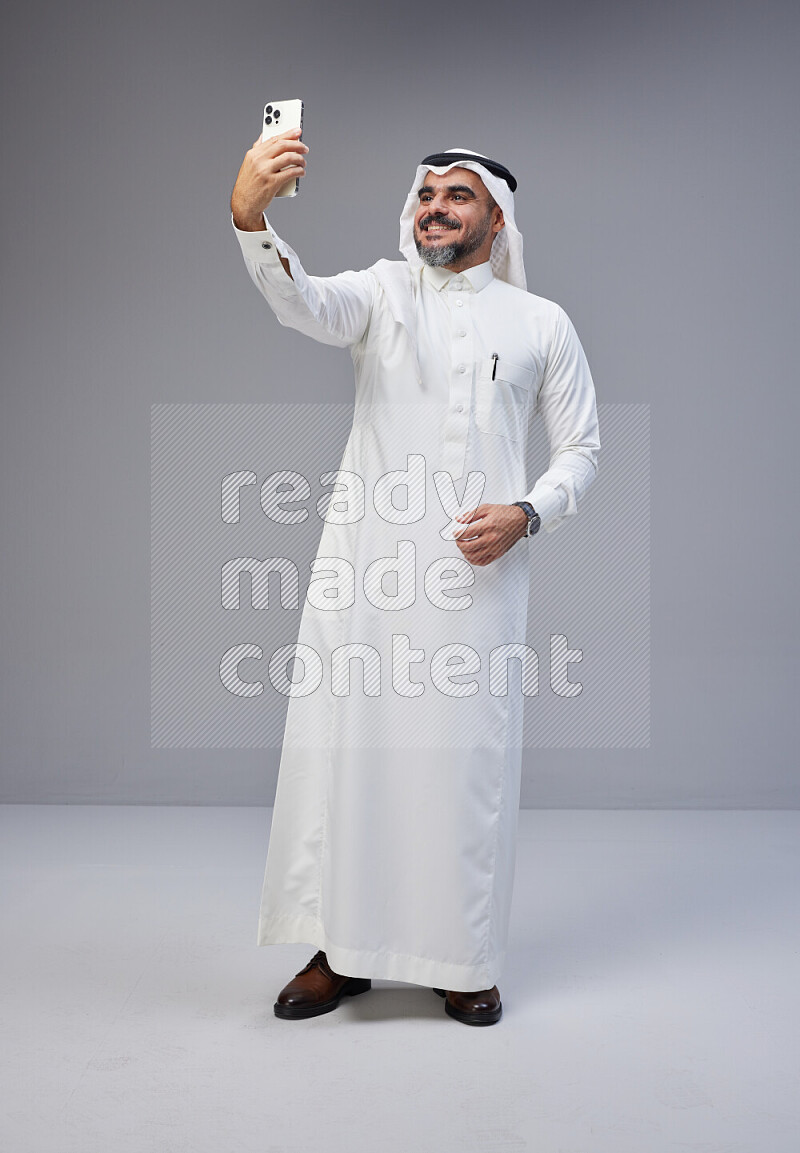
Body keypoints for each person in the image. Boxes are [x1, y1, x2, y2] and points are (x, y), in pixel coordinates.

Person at [230, 129, 600, 1026]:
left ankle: (460, 955)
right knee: (352, 757)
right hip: (370, 576)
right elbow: (306, 304)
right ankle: (341, 952)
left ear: (497, 217)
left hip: (477, 588)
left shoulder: (541, 321)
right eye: (426, 194)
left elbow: (583, 450)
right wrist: (251, 218)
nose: (435, 207)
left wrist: (527, 513)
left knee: (460, 769)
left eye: (458, 194)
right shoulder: (385, 293)